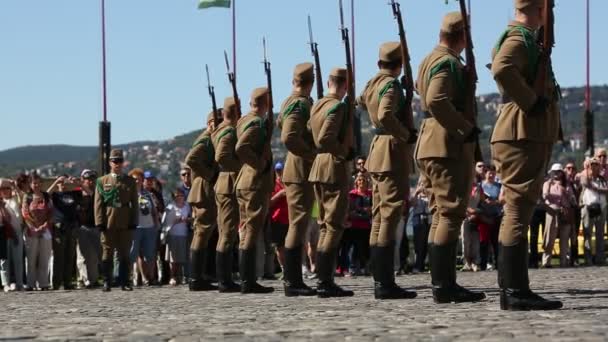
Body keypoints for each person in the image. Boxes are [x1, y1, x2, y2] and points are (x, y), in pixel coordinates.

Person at [490, 0, 562, 310]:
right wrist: (531, 102)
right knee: (518, 210)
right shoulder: (519, 38)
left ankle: (512, 287)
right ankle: (515, 291)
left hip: (524, 132)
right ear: (539, 8)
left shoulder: (524, 38)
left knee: (519, 207)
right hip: (522, 131)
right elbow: (502, 68)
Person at [415, 12, 485, 304]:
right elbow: (436, 99)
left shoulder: (429, 59)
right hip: (446, 143)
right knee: (451, 212)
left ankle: (441, 282)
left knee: (440, 214)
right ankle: (444, 286)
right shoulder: (446, 62)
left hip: (432, 141)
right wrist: (464, 128)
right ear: (462, 36)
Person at [358, 41, 417, 300]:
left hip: (376, 151)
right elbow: (384, 116)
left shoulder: (373, 83)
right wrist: (405, 134)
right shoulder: (390, 84)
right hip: (391, 150)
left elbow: (362, 101)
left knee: (379, 216)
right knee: (390, 215)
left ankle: (379, 278)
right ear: (399, 64)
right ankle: (385, 282)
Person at [308, 67, 354, 298]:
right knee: (333, 225)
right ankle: (325, 280)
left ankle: (323, 278)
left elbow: (310, 131)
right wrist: (343, 151)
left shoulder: (318, 104)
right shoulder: (338, 106)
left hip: (318, 166)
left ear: (328, 82)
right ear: (346, 84)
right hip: (333, 167)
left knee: (325, 224)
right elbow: (326, 137)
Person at [278, 62, 317, 297]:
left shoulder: (290, 101)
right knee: (299, 223)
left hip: (298, 167)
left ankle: (293, 279)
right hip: (300, 167)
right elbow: (290, 135)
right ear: (310, 83)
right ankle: (292, 280)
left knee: (299, 223)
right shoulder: (299, 103)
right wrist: (311, 154)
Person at [235, 87, 275, 294]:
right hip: (254, 181)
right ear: (266, 103)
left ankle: (246, 278)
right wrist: (260, 164)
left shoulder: (244, 119)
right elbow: (241, 147)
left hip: (245, 181)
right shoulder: (255, 123)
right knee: (251, 230)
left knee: (247, 230)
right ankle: (248, 280)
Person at [95, 149, 138, 292]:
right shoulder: (102, 181)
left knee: (124, 253)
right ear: (110, 163)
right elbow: (98, 203)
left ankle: (124, 281)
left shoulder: (130, 181)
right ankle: (107, 281)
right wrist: (99, 222)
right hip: (108, 220)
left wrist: (134, 221)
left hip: (125, 221)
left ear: (123, 162)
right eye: (114, 161)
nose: (117, 164)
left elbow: (134, 203)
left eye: (119, 161)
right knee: (107, 252)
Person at [185, 112, 220, 291]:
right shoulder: (205, 139)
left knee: (205, 234)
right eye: (215, 121)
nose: (218, 124)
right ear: (209, 123)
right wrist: (210, 173)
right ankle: (195, 277)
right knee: (202, 232)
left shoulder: (210, 139)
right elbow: (191, 159)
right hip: (203, 189)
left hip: (206, 189)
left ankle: (200, 275)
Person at [211, 97, 241, 293]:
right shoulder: (229, 130)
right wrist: (240, 167)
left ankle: (225, 277)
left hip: (223, 182)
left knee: (226, 232)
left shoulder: (219, 129)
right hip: (228, 181)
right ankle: (224, 279)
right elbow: (221, 156)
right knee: (228, 232)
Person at [47, 175, 81, 290]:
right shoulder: (55, 196)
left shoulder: (74, 194)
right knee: (59, 256)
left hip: (71, 227)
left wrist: (77, 183)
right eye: (61, 183)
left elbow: (89, 193)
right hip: (59, 228)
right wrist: (56, 181)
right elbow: (46, 194)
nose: (63, 184)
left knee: (70, 256)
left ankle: (67, 282)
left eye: (65, 182)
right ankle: (56, 283)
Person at [22, 173, 53, 291]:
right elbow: (25, 213)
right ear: (30, 184)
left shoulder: (46, 196)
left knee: (44, 257)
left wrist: (45, 225)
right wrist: (34, 227)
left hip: (45, 230)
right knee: (31, 258)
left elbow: (51, 211)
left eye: (39, 182)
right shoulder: (27, 197)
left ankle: (44, 283)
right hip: (31, 231)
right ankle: (30, 283)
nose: (37, 185)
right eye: (34, 183)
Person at [541, 164, 576, 267]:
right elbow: (545, 196)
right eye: (554, 171)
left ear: (562, 172)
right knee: (549, 240)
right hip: (552, 213)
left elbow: (573, 200)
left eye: (558, 171)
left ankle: (563, 262)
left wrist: (568, 194)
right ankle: (546, 262)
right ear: (551, 172)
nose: (556, 173)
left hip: (565, 213)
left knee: (564, 240)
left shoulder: (567, 184)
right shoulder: (547, 183)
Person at [129, 168, 159, 286]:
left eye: (139, 179)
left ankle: (151, 278)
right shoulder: (129, 194)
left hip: (149, 227)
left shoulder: (147, 194)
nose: (137, 181)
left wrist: (156, 224)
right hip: (135, 227)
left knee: (150, 254)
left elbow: (154, 211)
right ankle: (131, 277)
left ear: (142, 180)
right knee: (133, 254)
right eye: (134, 179)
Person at [342, 172, 372, 276]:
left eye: (363, 180)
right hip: (354, 225)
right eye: (359, 180)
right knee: (353, 248)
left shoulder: (370, 194)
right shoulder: (352, 194)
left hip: (367, 225)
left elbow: (372, 209)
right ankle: (352, 268)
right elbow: (348, 209)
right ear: (356, 182)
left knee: (365, 248)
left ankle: (365, 267)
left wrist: (364, 210)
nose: (361, 182)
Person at [580, 157, 608, 266]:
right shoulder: (586, 176)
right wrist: (587, 169)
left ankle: (600, 258)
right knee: (588, 233)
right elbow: (585, 183)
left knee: (600, 234)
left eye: (596, 164)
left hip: (601, 207)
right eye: (592, 164)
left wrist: (597, 189)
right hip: (588, 207)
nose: (594, 166)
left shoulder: (602, 179)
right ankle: (588, 259)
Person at [76, 169, 101, 289]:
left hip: (95, 227)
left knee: (94, 256)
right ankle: (85, 279)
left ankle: (94, 279)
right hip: (82, 227)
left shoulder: (97, 193)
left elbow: (93, 195)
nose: (90, 182)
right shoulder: (77, 194)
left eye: (92, 179)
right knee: (82, 257)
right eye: (88, 180)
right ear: (83, 180)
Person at [161, 188, 192, 286]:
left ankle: (181, 276)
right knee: (173, 259)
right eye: (177, 196)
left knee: (183, 257)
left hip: (184, 234)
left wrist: (187, 219)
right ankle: (172, 276)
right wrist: (175, 220)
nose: (179, 198)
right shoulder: (170, 207)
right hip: (173, 234)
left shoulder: (187, 206)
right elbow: (165, 222)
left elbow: (192, 217)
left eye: (181, 196)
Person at [0, 179, 24, 291]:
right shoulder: (0, 202)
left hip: (17, 232)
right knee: (5, 260)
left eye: (7, 188)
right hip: (5, 234)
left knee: (18, 259)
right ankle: (6, 284)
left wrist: (14, 185)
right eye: (2, 189)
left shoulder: (15, 200)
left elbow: (22, 196)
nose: (4, 190)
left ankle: (19, 283)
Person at [479, 166, 503, 270]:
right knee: (484, 242)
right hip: (484, 217)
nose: (492, 175)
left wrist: (494, 202)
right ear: (485, 174)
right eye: (489, 173)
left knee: (496, 243)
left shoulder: (499, 186)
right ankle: (483, 264)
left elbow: (502, 200)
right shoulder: (481, 186)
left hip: (496, 217)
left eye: (493, 173)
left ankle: (498, 264)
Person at [269, 162, 288, 275]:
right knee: (280, 246)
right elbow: (269, 203)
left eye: (281, 170)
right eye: (277, 171)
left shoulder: (288, 184)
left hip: (289, 219)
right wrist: (279, 194)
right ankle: (284, 269)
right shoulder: (273, 185)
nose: (280, 173)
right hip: (277, 219)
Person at [411, 181, 431, 273]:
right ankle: (418, 265)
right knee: (419, 244)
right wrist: (417, 192)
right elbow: (412, 203)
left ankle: (430, 265)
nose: (423, 186)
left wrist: (428, 193)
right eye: (421, 184)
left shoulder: (430, 195)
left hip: (429, 219)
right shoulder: (415, 195)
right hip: (418, 220)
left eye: (424, 185)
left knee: (428, 243)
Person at [564, 161, 582, 266]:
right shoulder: (562, 182)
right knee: (565, 235)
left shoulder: (578, 182)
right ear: (565, 170)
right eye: (568, 168)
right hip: (566, 211)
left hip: (576, 211)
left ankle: (574, 258)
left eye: (573, 168)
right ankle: (565, 257)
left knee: (574, 235)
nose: (571, 170)